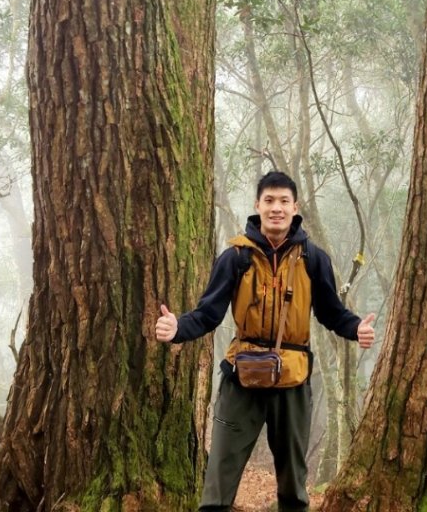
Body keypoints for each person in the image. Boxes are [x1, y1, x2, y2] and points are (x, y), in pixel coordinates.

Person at [156, 170, 376, 512]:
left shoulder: (313, 259)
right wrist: (177, 329)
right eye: (269, 200)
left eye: (283, 201)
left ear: (295, 207)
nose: (277, 208)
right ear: (257, 205)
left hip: (293, 380)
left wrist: (356, 328)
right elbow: (208, 313)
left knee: (293, 490)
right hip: (240, 379)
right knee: (217, 488)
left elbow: (331, 312)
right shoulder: (236, 257)